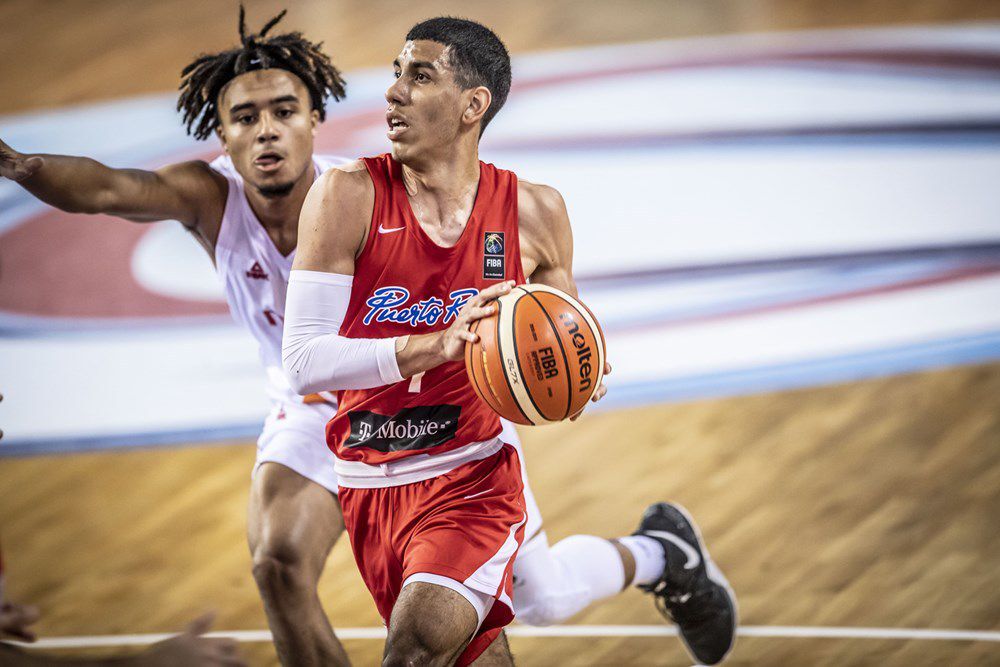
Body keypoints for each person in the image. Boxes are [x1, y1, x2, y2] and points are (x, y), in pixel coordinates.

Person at [282, 16, 737, 667]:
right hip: (367, 477)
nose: (392, 93)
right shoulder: (347, 196)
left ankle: (666, 552)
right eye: (395, 73)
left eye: (419, 75)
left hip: (472, 473)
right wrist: (434, 343)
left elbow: (566, 333)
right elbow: (302, 362)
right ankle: (665, 551)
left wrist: (579, 370)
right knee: (543, 596)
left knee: (412, 652)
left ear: (474, 104)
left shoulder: (533, 211)